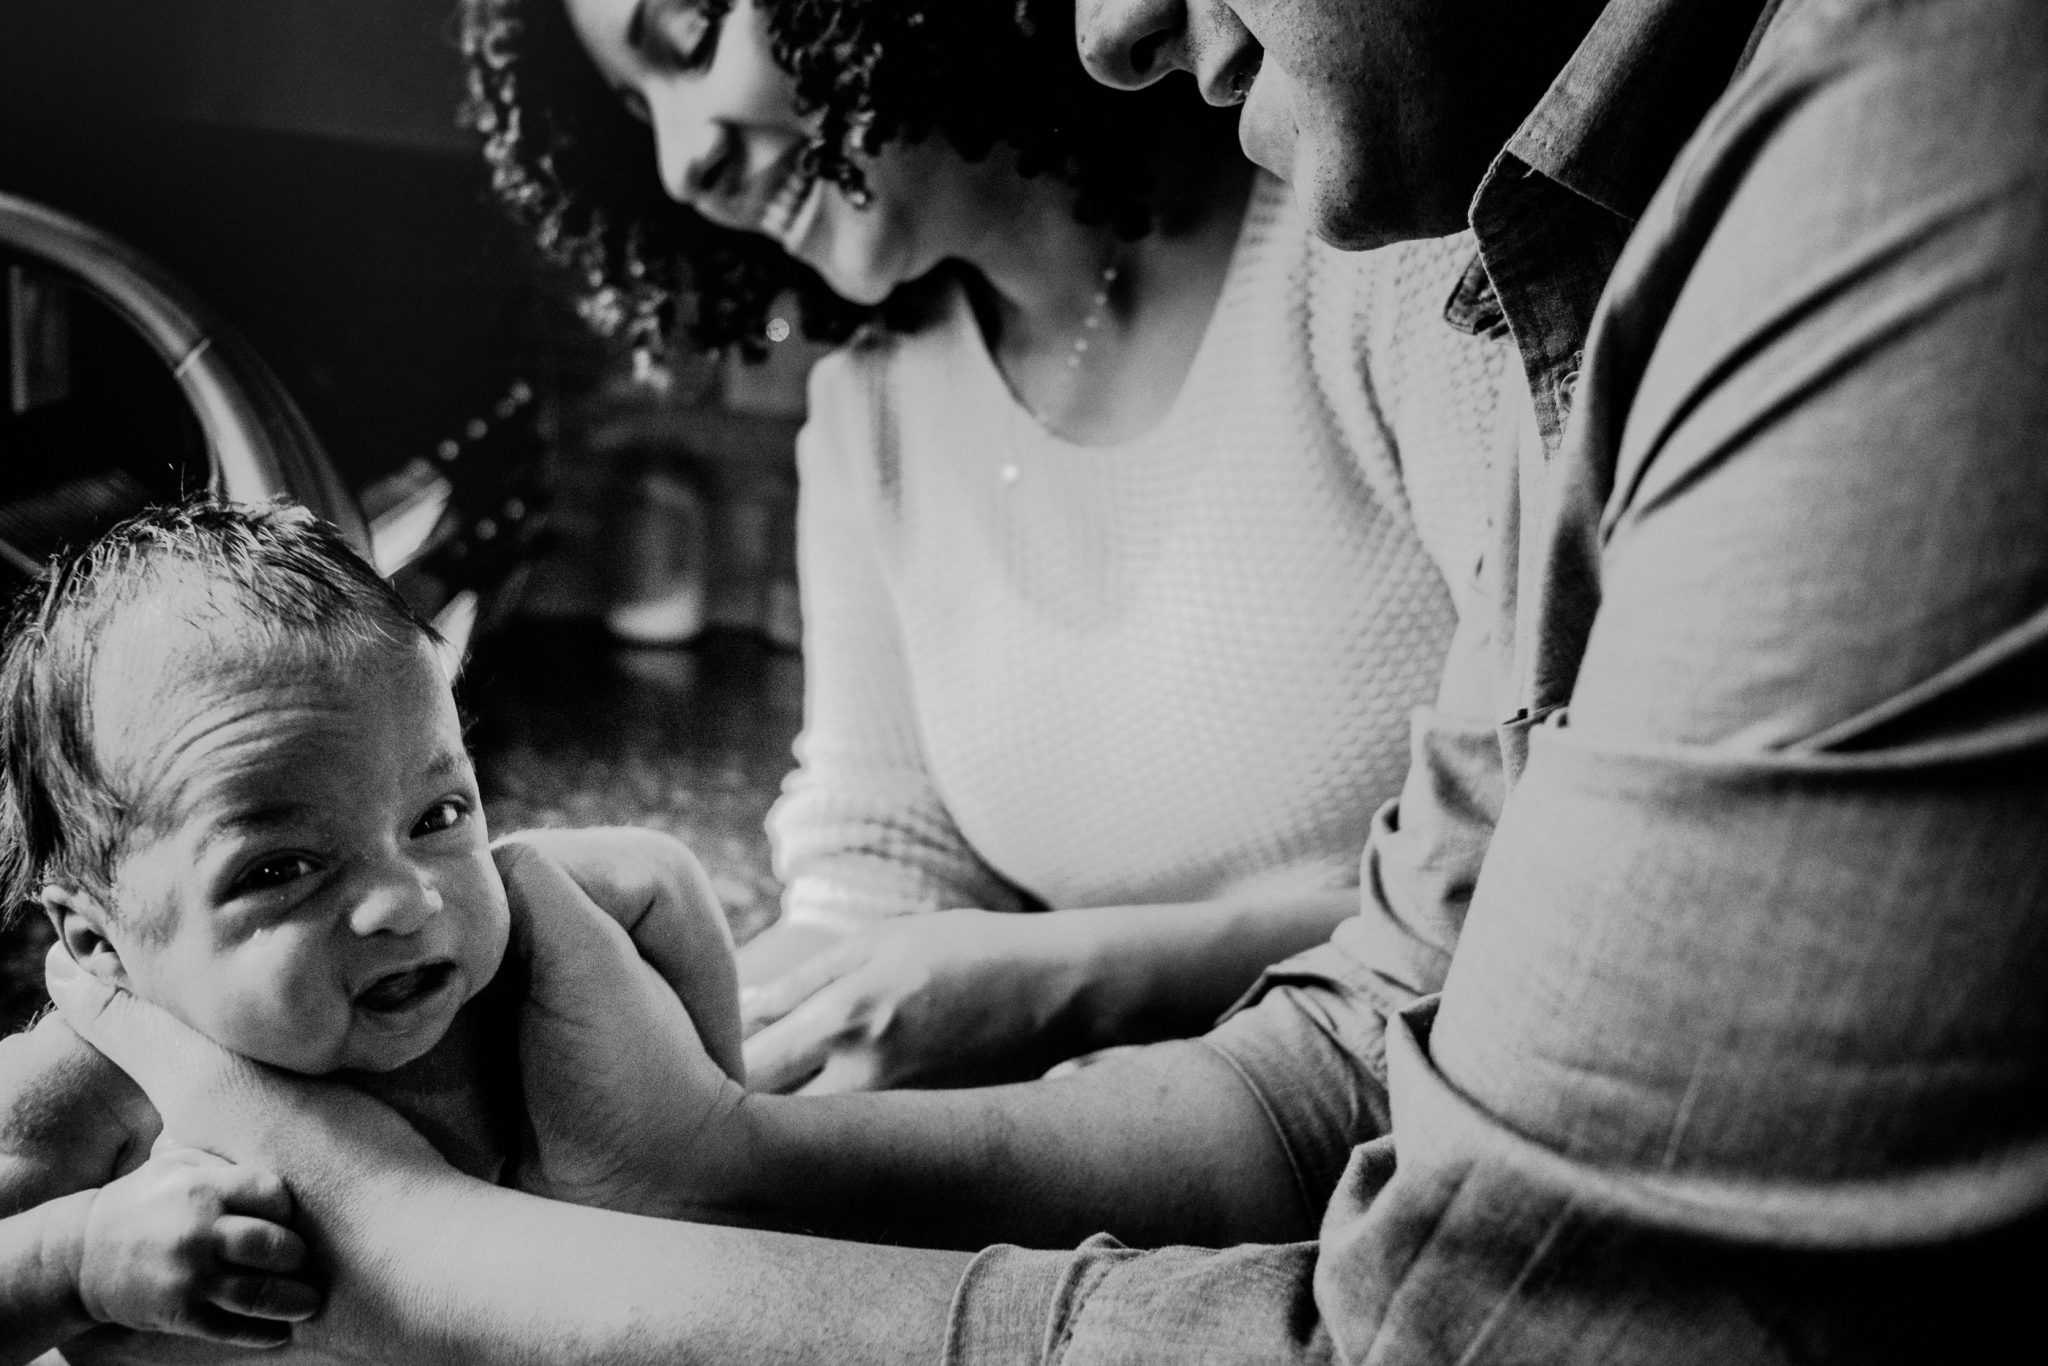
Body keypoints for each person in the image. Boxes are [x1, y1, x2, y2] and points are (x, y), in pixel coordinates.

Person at [31, 0, 2048, 1360]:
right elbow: (1362, 1035)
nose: (1094, 23)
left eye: (686, 31)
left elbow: (1451, 1306)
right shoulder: (1545, 227)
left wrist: (429, 1234)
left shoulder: (1728, 199)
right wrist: (726, 1143)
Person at [462, 0, 1509, 1091]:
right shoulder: (874, 405)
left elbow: (1532, 863)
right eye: (638, 110)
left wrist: (1061, 980)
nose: (684, 166)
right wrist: (633, 1053)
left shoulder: (1383, 249)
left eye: (688, 38)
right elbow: (882, 874)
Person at [0, 501, 743, 1365]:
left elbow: (660, 880)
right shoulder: (90, 1087)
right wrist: (76, 1262)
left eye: (438, 814)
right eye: (280, 870)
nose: (407, 901)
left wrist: (709, 1129)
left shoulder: (514, 979)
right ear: (100, 946)